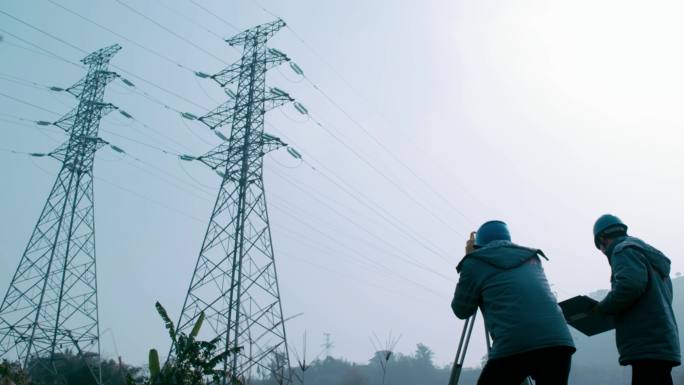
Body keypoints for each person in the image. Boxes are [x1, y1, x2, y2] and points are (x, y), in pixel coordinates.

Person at [451, 220, 575, 385]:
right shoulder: (532, 257)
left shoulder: (474, 262)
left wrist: (469, 257)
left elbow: (461, 310)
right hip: (558, 341)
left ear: (479, 246)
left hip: (513, 344)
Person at [593, 214, 680, 385]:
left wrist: (602, 308)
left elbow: (629, 286)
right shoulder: (653, 260)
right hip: (662, 342)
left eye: (600, 248)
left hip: (646, 344)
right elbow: (666, 297)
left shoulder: (621, 250)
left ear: (602, 239)